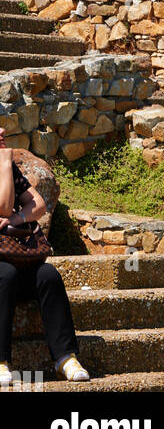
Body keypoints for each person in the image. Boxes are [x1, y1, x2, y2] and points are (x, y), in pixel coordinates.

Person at [0, 128, 89, 386]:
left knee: (48, 275)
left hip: (9, 258)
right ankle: (1, 360)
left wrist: (16, 219)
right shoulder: (5, 164)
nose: (3, 130)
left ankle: (65, 357)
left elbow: (37, 204)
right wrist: (5, 162)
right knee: (5, 274)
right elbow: (4, 205)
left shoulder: (9, 169)